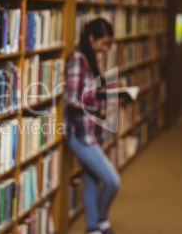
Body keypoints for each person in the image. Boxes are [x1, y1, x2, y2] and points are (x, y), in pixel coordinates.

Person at [64, 18, 120, 234]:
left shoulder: (92, 59)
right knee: (112, 181)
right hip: (80, 134)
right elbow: (73, 99)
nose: (104, 49)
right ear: (91, 37)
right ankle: (102, 218)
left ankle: (93, 227)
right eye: (103, 43)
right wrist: (103, 103)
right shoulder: (78, 58)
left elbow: (91, 93)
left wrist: (112, 97)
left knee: (92, 180)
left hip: (92, 131)